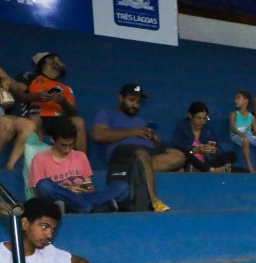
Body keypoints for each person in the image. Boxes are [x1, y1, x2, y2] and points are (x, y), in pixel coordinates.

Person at [92, 84, 184, 212]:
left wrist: (154, 139)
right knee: (141, 153)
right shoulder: (106, 114)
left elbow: (161, 147)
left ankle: (140, 170)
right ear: (120, 98)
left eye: (138, 102)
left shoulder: (141, 120)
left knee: (177, 155)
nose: (135, 105)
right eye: (131, 100)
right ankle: (155, 201)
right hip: (122, 156)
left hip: (144, 156)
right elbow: (99, 135)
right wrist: (132, 132)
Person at [27, 120, 129, 213]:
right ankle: (97, 205)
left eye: (71, 145)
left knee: (122, 187)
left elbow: (89, 185)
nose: (67, 149)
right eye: (63, 145)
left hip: (82, 196)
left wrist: (82, 188)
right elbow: (39, 192)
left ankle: (83, 205)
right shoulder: (40, 158)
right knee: (44, 185)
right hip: (60, 199)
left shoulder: (80, 156)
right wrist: (69, 190)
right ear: (52, 140)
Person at [23, 52, 87, 152]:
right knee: (34, 118)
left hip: (59, 120)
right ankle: (38, 161)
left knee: (78, 121)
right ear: (48, 60)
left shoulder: (65, 88)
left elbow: (74, 112)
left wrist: (63, 101)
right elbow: (19, 96)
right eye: (59, 60)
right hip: (38, 117)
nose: (63, 64)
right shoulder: (31, 79)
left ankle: (81, 163)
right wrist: (36, 96)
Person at [170, 101, 236, 173]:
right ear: (190, 115)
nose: (201, 122)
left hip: (206, 163)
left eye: (204, 118)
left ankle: (207, 169)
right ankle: (211, 170)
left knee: (231, 155)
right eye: (198, 118)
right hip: (189, 162)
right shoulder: (182, 129)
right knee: (184, 154)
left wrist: (214, 150)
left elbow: (219, 150)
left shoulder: (208, 130)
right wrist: (195, 151)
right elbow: (176, 150)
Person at [0, 66, 37, 170]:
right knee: (5, 124)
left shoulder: (3, 81)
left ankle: (10, 167)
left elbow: (8, 103)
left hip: (2, 115)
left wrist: (4, 88)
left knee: (28, 125)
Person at [229, 91, 256, 174]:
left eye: (238, 98)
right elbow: (232, 127)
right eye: (235, 98)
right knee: (245, 140)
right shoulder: (234, 114)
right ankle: (250, 167)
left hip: (248, 135)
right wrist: (241, 134)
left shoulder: (252, 117)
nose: (235, 100)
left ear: (246, 101)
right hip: (236, 135)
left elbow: (255, 131)